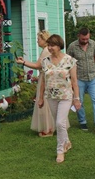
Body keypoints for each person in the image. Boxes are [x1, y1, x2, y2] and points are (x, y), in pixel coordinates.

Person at [17, 34, 81, 163]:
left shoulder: (70, 60)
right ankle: (66, 142)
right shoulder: (45, 61)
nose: (50, 48)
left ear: (59, 46)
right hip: (51, 96)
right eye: (49, 45)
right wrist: (40, 98)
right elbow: (44, 81)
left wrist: (77, 98)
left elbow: (74, 81)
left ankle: (60, 151)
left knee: (59, 123)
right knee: (60, 124)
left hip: (65, 96)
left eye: (52, 45)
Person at [67, 27, 95, 134]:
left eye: (87, 39)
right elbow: (68, 62)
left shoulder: (93, 44)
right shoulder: (72, 46)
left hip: (93, 77)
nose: (85, 41)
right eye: (83, 39)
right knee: (79, 101)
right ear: (78, 36)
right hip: (79, 78)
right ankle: (82, 121)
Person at [23, 30, 56, 137]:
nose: (37, 41)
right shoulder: (46, 50)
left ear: (44, 40)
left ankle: (48, 128)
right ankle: (50, 127)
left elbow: (38, 65)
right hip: (46, 76)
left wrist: (23, 62)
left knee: (44, 101)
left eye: (38, 39)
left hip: (45, 78)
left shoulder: (46, 50)